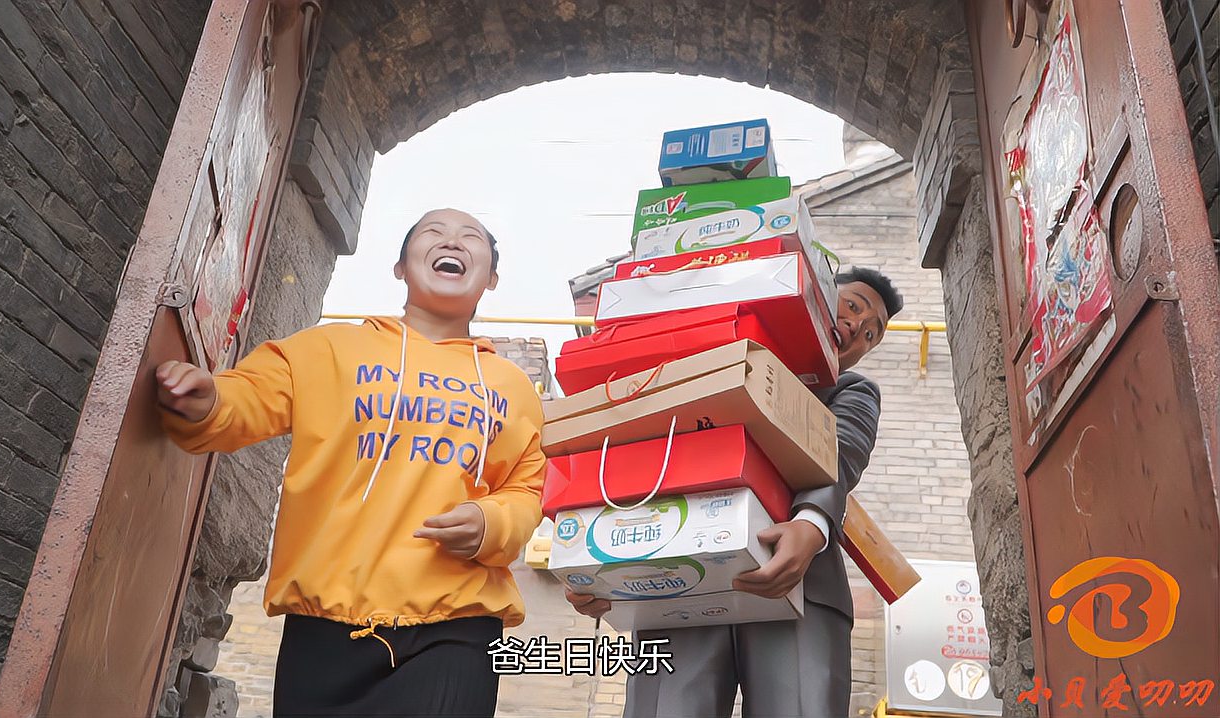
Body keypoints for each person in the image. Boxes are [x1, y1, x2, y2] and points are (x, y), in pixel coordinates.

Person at [156, 208, 546, 718]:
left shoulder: (512, 386)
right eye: (433, 231)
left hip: (457, 626)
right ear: (400, 267)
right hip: (324, 626)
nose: (451, 240)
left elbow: (524, 490)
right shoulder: (328, 349)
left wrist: (489, 522)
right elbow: (247, 397)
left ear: (490, 277)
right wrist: (208, 399)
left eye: (471, 237)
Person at [565, 266, 905, 718]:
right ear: (816, 293)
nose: (857, 328)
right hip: (679, 582)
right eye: (854, 306)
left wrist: (811, 525)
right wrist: (600, 566)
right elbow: (638, 452)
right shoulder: (708, 358)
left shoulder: (852, 390)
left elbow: (840, 456)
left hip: (798, 585)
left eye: (871, 333)